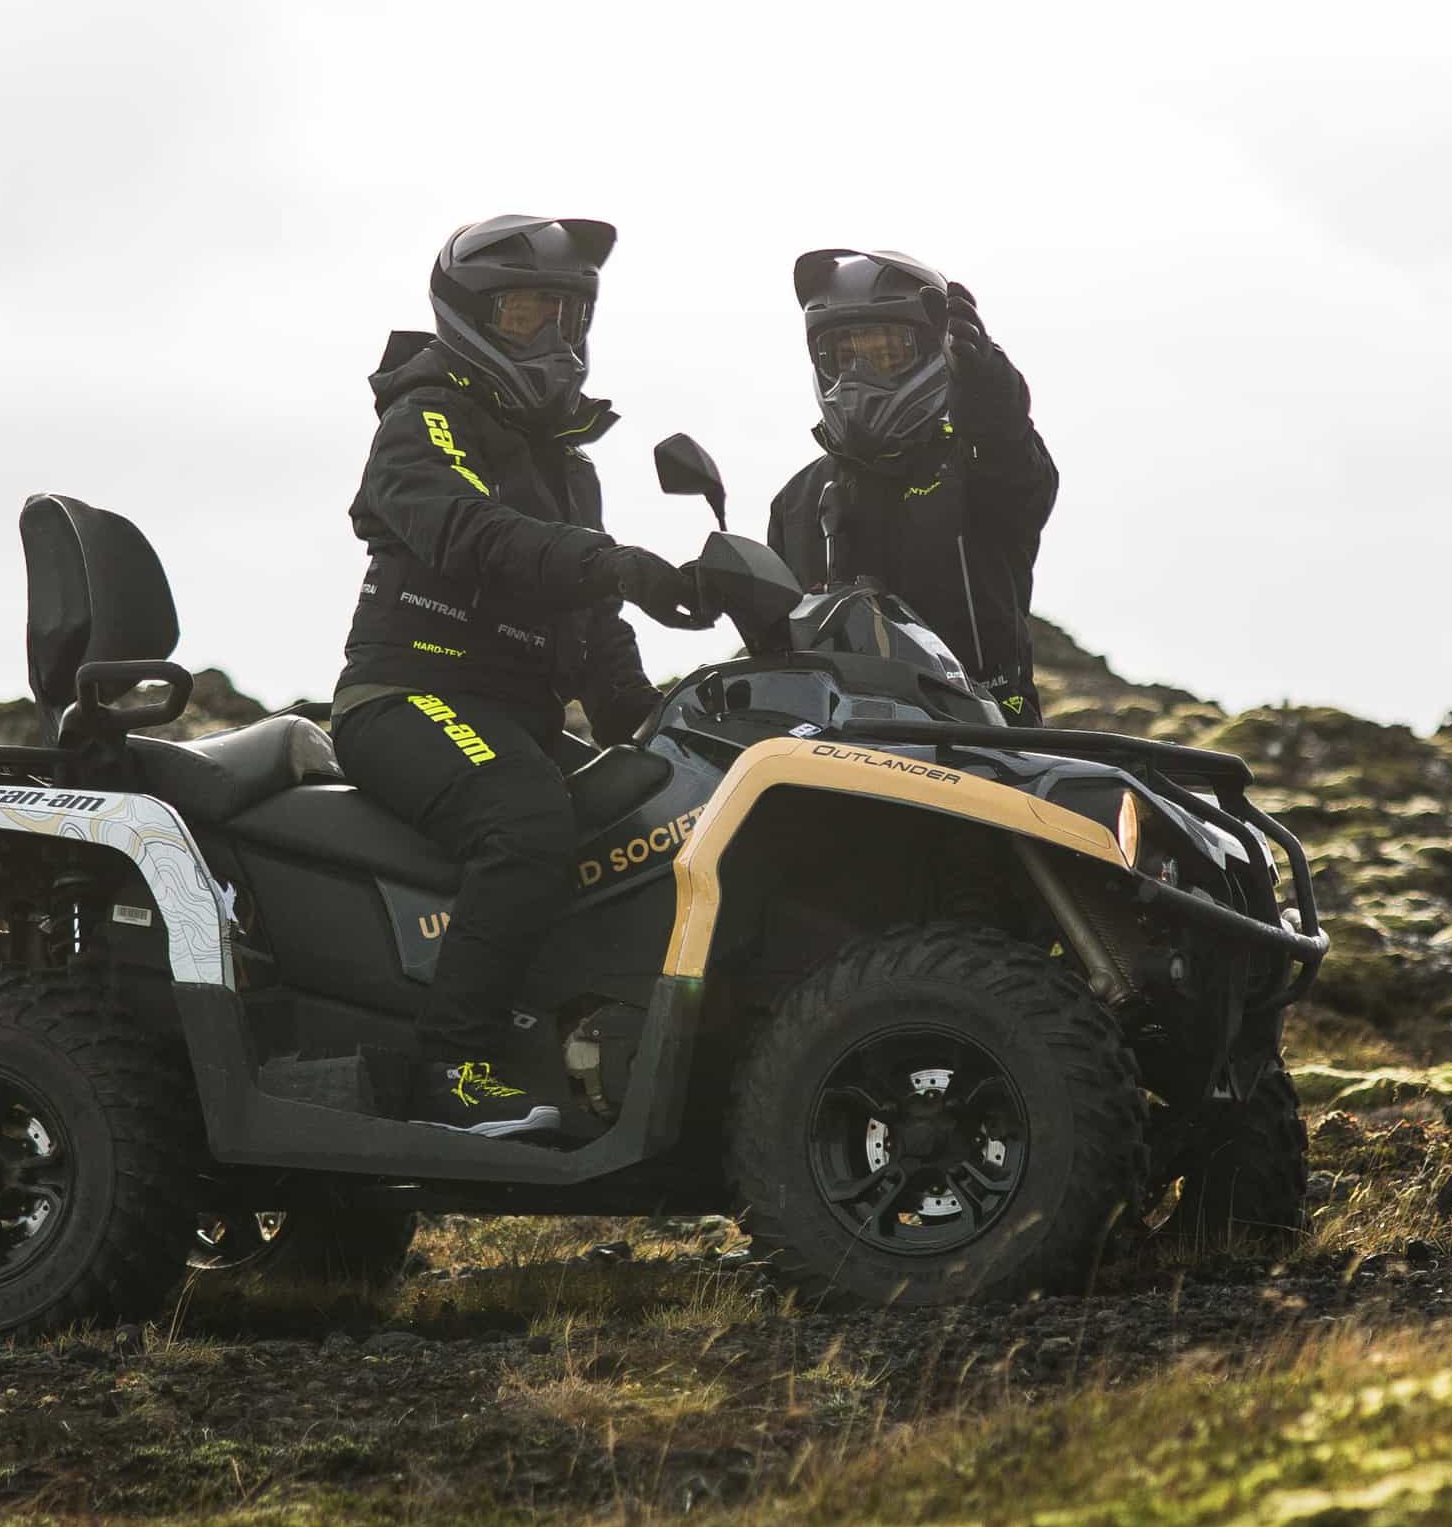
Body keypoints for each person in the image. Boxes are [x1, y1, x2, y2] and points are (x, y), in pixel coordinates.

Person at [334, 215, 708, 1134]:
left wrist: (666, 729)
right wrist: (615, 562)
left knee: (657, 809)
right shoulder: (422, 417)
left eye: (566, 317)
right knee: (525, 816)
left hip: (520, 714)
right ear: (469, 318)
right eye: (524, 315)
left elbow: (593, 632)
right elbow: (469, 533)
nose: (551, 336)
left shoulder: (571, 469)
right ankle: (450, 1065)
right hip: (409, 695)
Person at [765, 249, 1060, 716]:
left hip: (985, 741)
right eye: (843, 354)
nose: (859, 372)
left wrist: (991, 392)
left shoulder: (977, 466)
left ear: (932, 352)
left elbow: (1018, 473)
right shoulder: (797, 500)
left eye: (885, 352)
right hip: (832, 754)